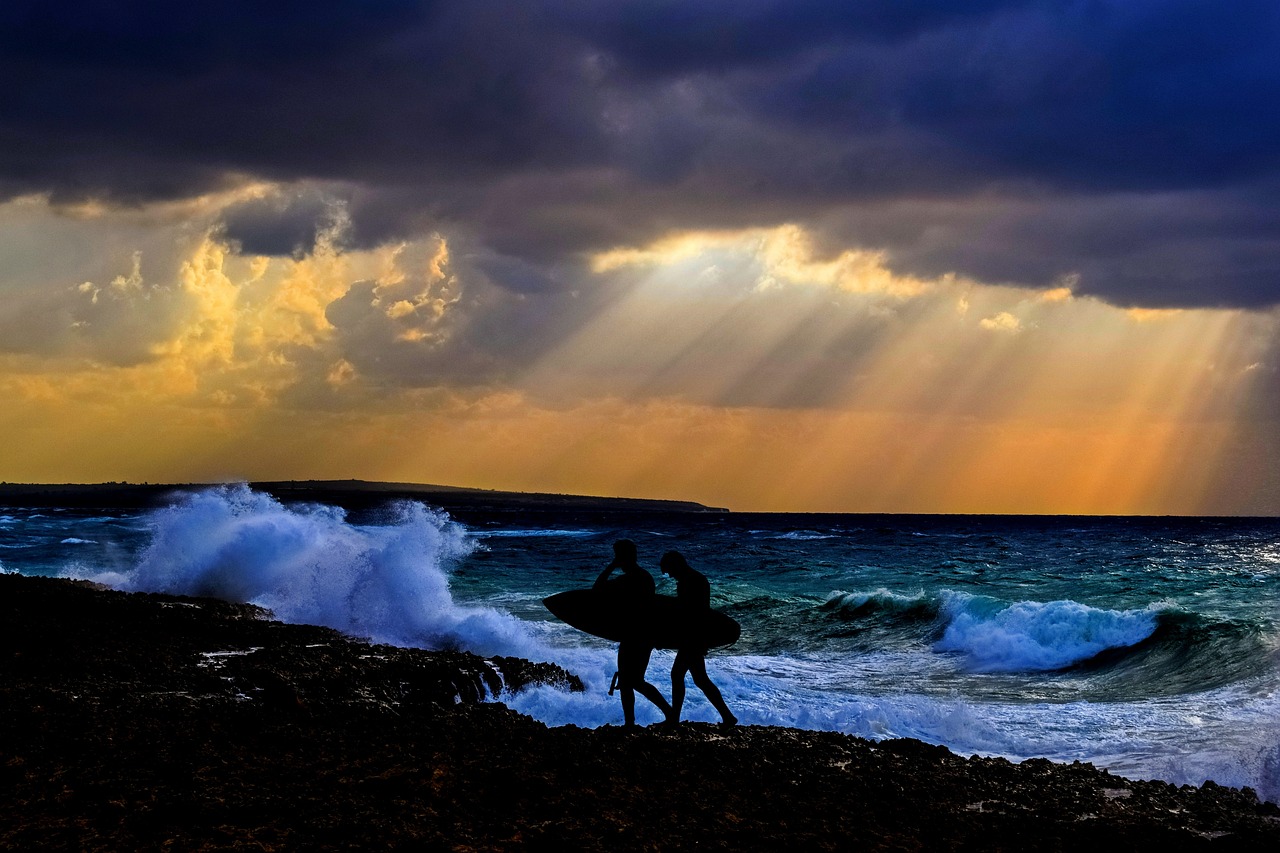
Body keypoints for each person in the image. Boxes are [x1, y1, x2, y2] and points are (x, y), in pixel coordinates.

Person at [594, 539, 675, 727]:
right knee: (633, 681)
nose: (616, 559)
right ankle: (661, 715)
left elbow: (597, 589)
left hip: (635, 636)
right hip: (644, 635)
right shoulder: (645, 577)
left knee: (630, 681)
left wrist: (611, 566)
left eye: (617, 556)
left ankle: (635, 722)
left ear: (623, 557)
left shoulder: (629, 579)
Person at [659, 550, 737, 727]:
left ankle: (674, 719)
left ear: (676, 565)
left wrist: (669, 638)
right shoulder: (694, 579)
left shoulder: (691, 581)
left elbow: (691, 614)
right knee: (700, 679)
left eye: (670, 571)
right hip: (696, 636)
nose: (670, 575)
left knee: (677, 675)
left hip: (693, 637)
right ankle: (728, 717)